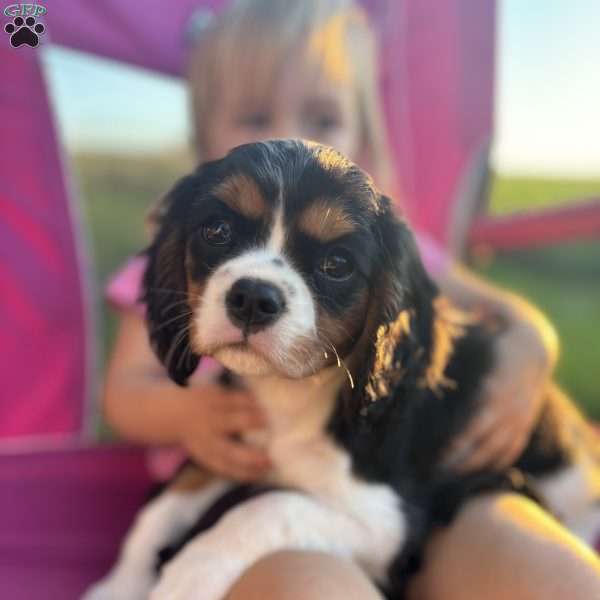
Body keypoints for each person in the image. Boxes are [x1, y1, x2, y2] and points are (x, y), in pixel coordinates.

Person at [101, 1, 600, 598]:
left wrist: (530, 344)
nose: (292, 136)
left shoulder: (399, 248)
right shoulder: (164, 259)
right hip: (254, 488)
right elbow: (124, 394)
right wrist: (188, 416)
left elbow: (499, 311)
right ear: (203, 136)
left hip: (433, 484)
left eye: (323, 116)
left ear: (363, 135)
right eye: (255, 115)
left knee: (552, 576)